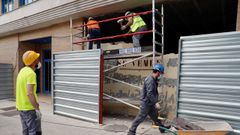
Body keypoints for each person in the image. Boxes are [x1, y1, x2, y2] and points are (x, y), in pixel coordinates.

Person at [128, 64, 170, 135]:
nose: (160, 75)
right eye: (160, 73)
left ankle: (162, 128)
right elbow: (149, 94)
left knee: (155, 117)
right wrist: (155, 102)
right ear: (158, 72)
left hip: (150, 103)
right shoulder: (150, 80)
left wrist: (154, 102)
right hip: (146, 103)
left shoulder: (153, 79)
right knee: (139, 118)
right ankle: (131, 132)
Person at [16, 50, 42, 135]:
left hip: (20, 107)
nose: (39, 60)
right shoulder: (31, 74)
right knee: (33, 131)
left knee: (25, 130)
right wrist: (37, 108)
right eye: (37, 59)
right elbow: (30, 93)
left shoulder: (22, 71)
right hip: (29, 108)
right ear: (34, 61)